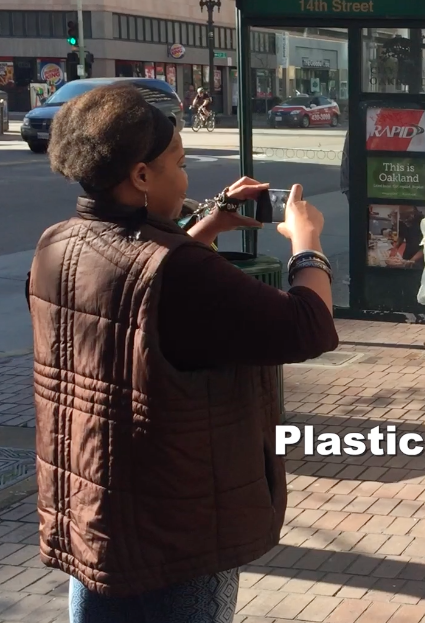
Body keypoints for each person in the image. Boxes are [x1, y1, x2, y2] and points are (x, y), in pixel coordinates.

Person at [26, 83, 339, 623]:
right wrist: (306, 243)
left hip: (98, 508)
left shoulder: (57, 243)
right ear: (141, 176)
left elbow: (136, 295)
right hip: (176, 528)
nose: (186, 176)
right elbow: (307, 326)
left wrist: (204, 227)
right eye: (180, 162)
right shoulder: (181, 270)